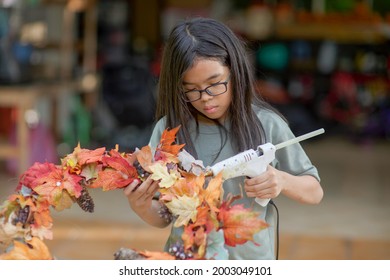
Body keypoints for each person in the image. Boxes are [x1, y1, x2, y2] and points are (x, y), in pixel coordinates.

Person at [124, 17, 323, 260]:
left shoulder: (267, 124)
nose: (206, 98)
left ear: (235, 71)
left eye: (214, 84)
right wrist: (142, 206)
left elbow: (314, 192)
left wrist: (280, 180)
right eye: (191, 89)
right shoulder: (168, 132)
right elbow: (165, 216)